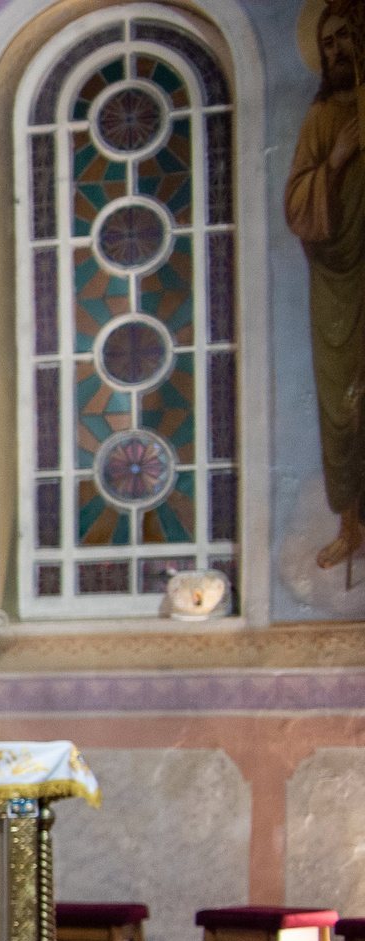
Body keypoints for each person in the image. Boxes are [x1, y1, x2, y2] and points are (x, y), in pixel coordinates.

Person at [287, 0, 365, 574]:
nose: (337, 52)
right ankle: (350, 527)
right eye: (329, 43)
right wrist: (336, 160)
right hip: (339, 281)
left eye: (346, 39)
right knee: (342, 405)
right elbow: (298, 208)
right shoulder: (322, 121)